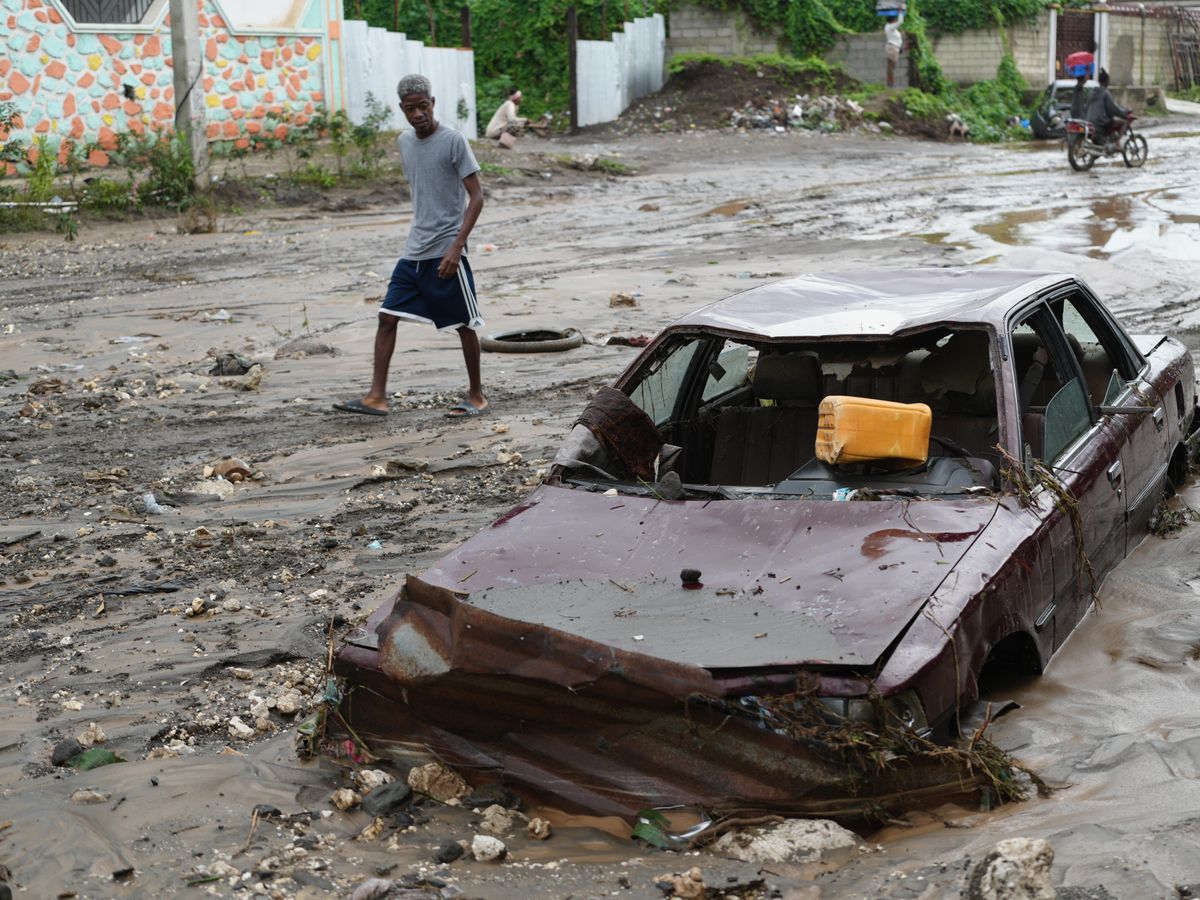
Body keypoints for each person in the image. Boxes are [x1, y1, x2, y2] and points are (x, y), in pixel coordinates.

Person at [334, 73, 487, 418]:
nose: (418, 114)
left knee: (464, 325)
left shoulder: (454, 141)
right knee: (387, 316)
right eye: (410, 109)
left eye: (423, 106)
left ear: (433, 104)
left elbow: (476, 197)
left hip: (446, 252)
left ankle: (476, 395)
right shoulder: (405, 142)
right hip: (414, 253)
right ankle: (376, 396)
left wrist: (456, 246)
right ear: (401, 109)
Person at [1086, 68, 1130, 143]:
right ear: (1106, 81)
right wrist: (1123, 114)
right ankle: (1117, 143)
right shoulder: (1105, 93)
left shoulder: (1092, 92)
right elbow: (1112, 109)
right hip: (1101, 121)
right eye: (1108, 80)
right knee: (1124, 122)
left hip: (1089, 120)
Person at [884, 12, 904, 88]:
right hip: (892, 48)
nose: (896, 20)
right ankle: (891, 84)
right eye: (895, 19)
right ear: (892, 20)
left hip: (893, 48)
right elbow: (900, 22)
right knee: (891, 67)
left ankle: (890, 83)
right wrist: (900, 12)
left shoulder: (890, 27)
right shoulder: (889, 27)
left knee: (891, 66)